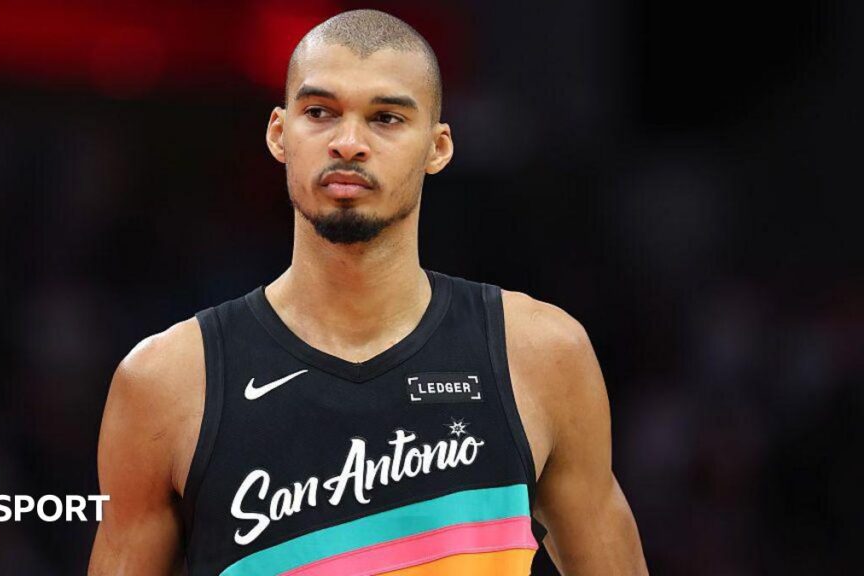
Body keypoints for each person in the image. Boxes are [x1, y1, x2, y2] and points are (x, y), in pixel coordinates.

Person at [88, 9, 647, 576]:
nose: (349, 143)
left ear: (438, 147)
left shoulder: (542, 355)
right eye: (320, 112)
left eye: (385, 118)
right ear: (279, 133)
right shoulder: (166, 383)